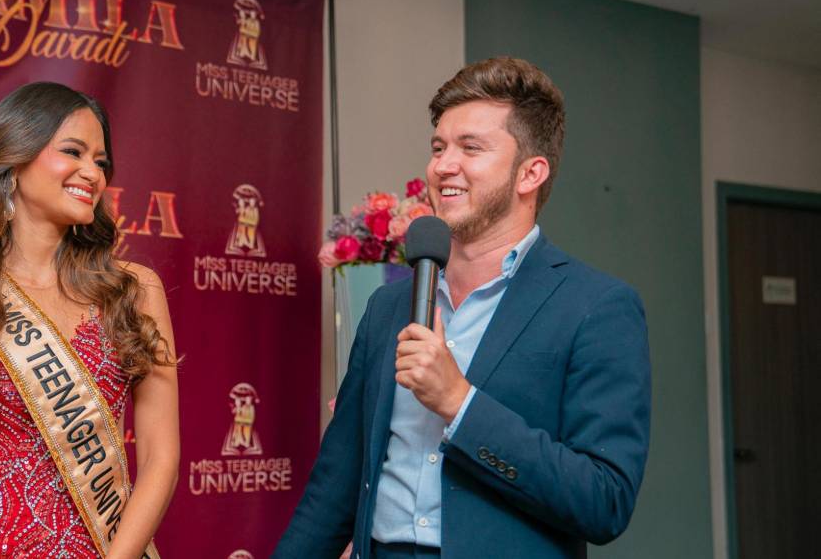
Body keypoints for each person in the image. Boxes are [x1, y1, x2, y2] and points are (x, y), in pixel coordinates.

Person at [274, 57, 651, 559]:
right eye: (438, 147)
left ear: (530, 173)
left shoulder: (596, 307)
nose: (442, 166)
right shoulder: (390, 304)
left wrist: (459, 403)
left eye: (470, 148)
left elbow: (604, 501)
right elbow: (334, 486)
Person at [0, 82, 179, 558]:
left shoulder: (133, 290)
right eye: (73, 152)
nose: (93, 173)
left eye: (101, 161)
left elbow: (160, 458)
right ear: (14, 157)